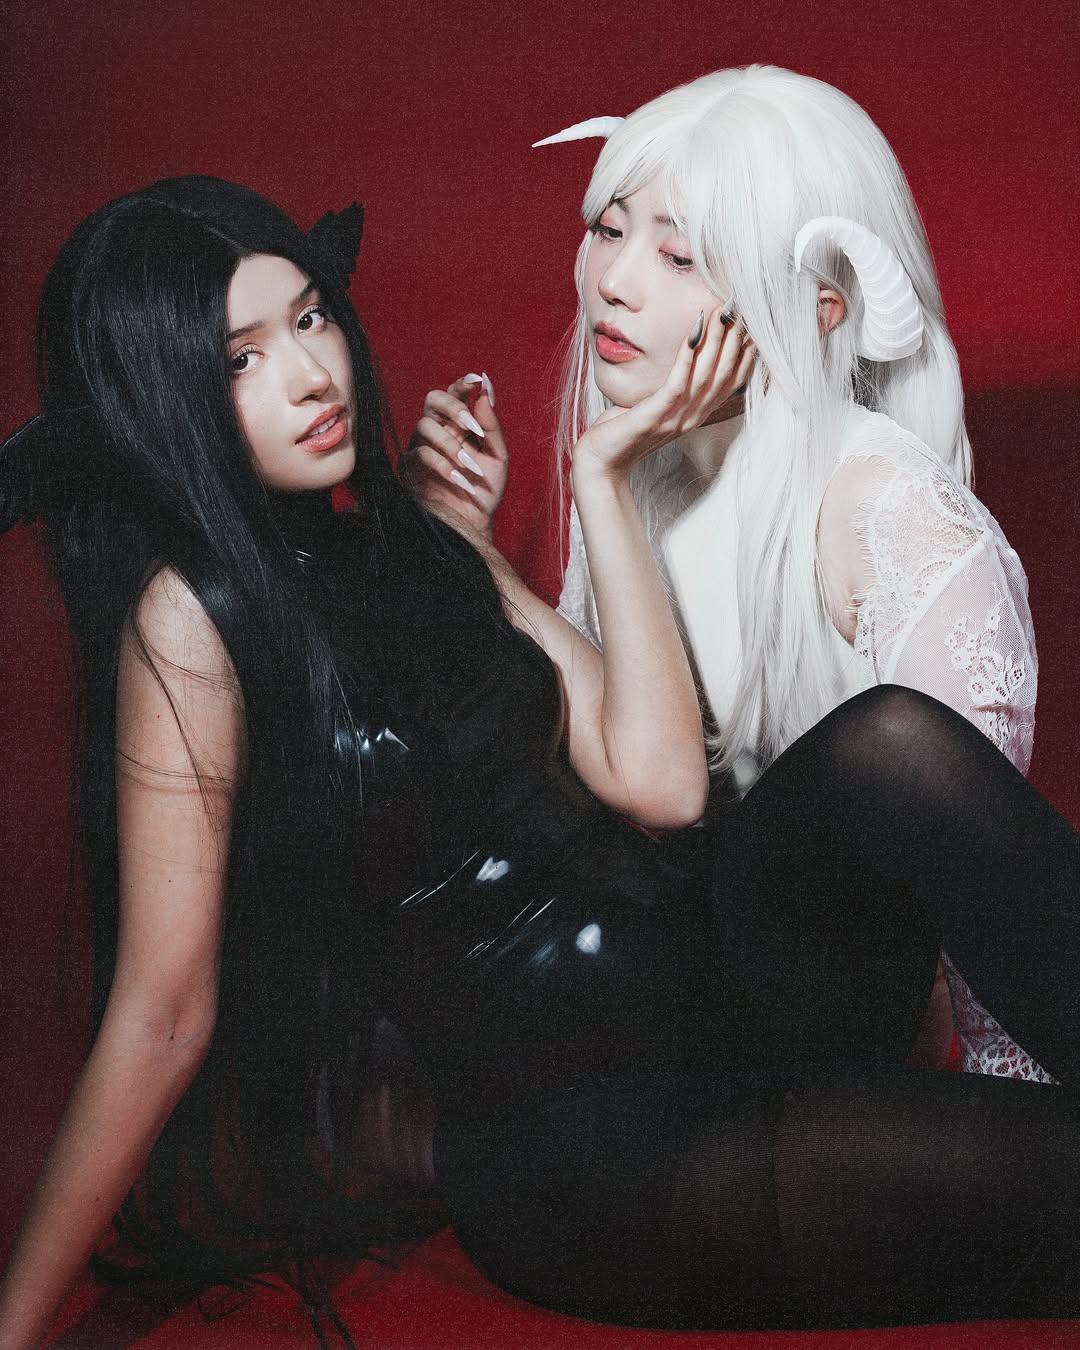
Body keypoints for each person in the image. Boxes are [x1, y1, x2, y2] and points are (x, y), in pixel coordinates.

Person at [2, 176, 1080, 1350]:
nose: (312, 375)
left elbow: (662, 781)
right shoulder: (190, 620)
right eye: (240, 361)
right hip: (598, 1149)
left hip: (720, 992)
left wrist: (600, 478)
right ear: (162, 403)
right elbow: (162, 1015)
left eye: (311, 318)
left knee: (893, 743)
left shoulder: (410, 541)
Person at [403, 64, 1044, 1080]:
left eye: (679, 256)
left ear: (819, 310)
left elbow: (978, 894)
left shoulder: (886, 506)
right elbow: (637, 772)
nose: (614, 281)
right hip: (680, 1005)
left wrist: (1005, 1138)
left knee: (892, 744)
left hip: (835, 1030)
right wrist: (479, 544)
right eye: (608, 229)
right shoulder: (641, 476)